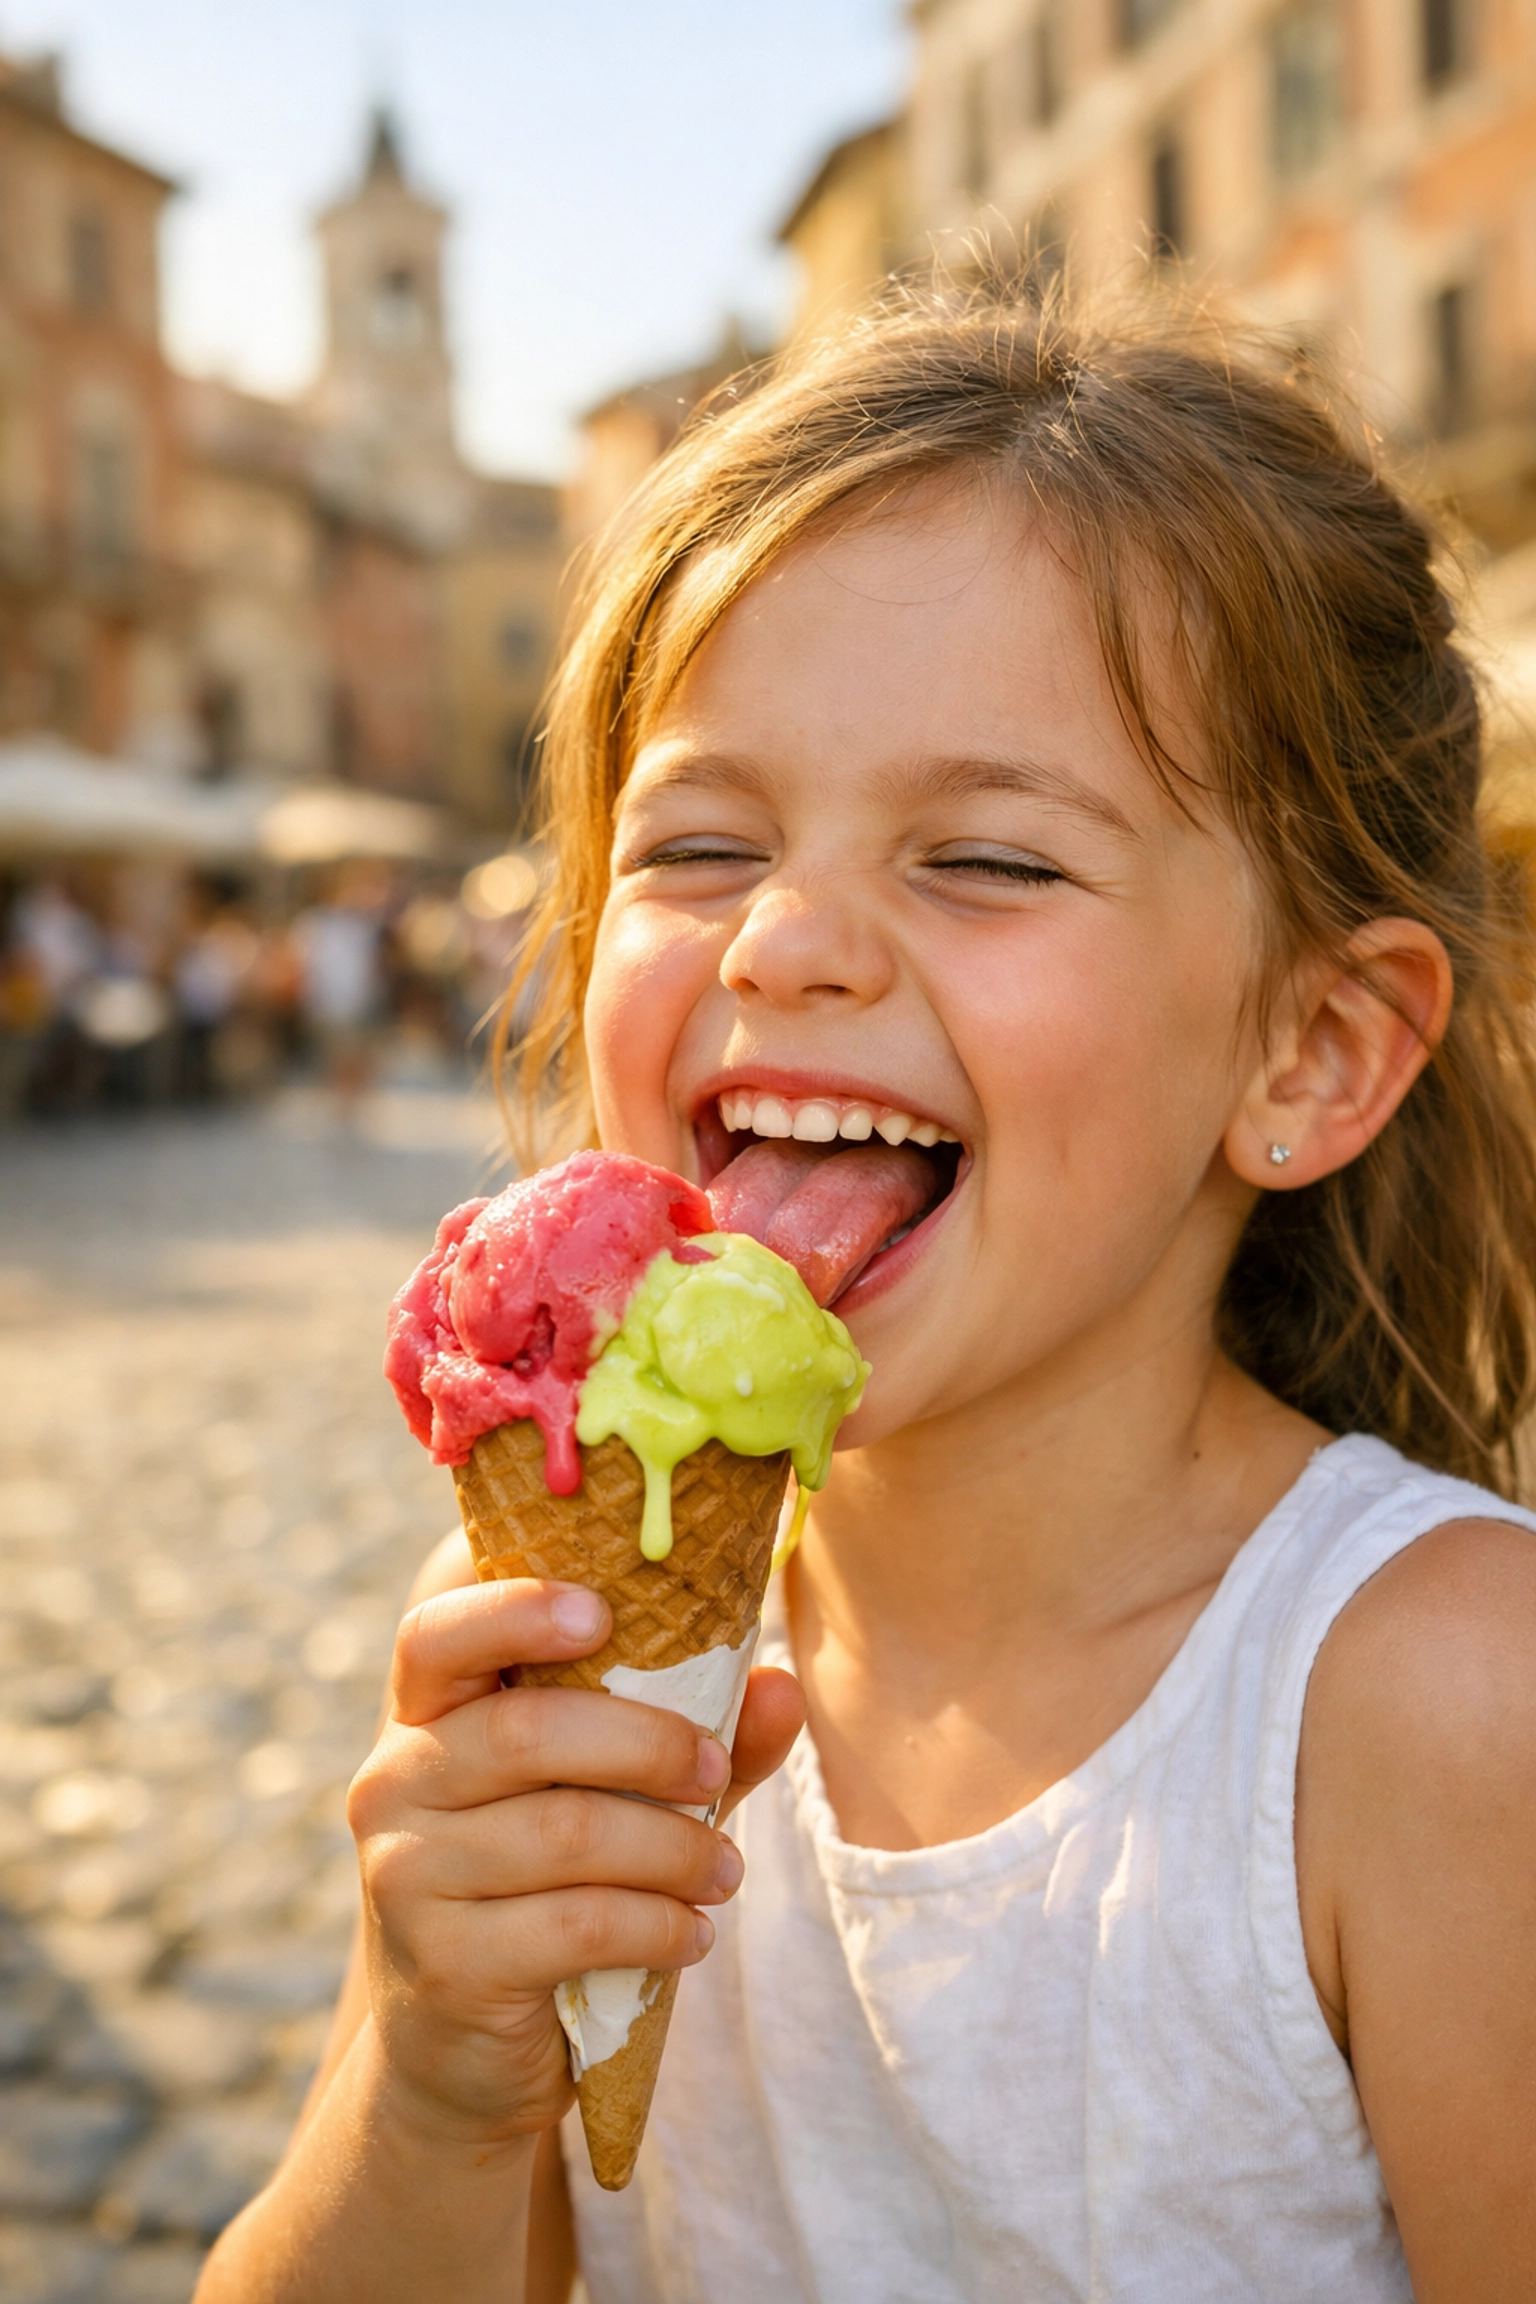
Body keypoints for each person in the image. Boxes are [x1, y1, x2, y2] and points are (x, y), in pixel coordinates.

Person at [197, 292, 1536, 2303]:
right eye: (702, 842)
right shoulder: (571, 1656)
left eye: (990, 859)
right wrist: (424, 2084)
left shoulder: (1443, 1710)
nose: (792, 941)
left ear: (1313, 1052)